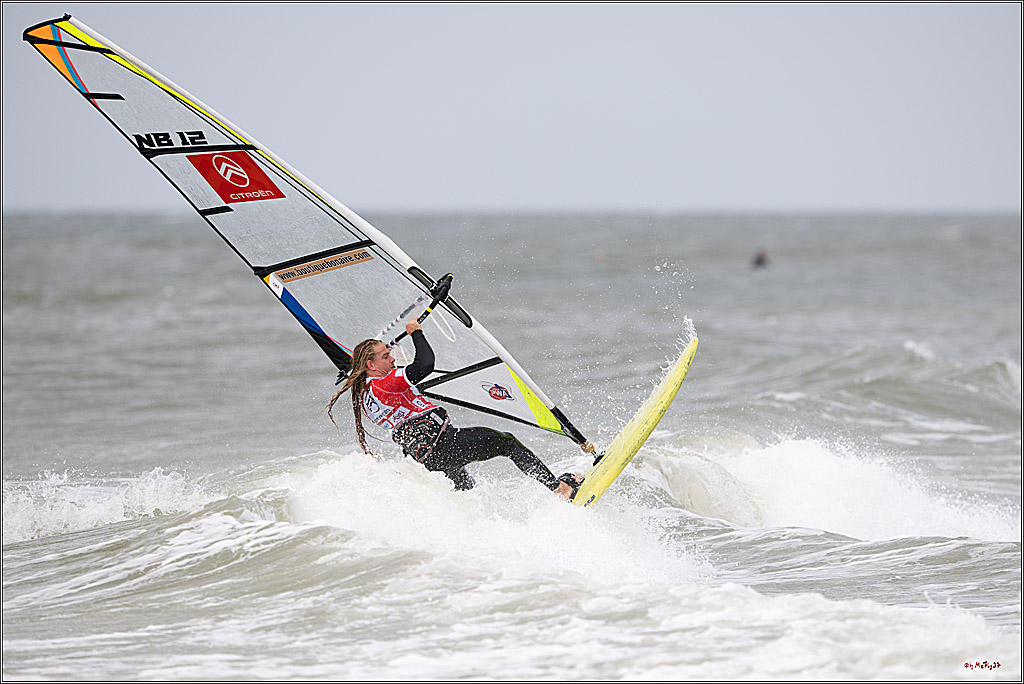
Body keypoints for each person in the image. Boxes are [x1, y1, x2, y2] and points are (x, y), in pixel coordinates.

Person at [326, 319, 581, 500]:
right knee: (507, 443)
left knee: (467, 495)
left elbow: (404, 402)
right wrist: (416, 332)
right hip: (444, 445)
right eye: (385, 356)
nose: (391, 358)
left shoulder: (365, 395)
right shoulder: (384, 383)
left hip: (426, 460)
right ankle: (560, 489)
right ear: (370, 364)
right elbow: (424, 364)